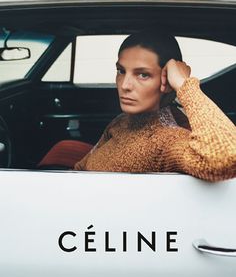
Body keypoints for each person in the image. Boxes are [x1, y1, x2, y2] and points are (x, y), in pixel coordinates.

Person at [39, 32, 236, 181]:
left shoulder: (165, 141)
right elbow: (85, 164)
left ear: (166, 80)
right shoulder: (124, 120)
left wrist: (185, 85)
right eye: (121, 71)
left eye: (143, 74)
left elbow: (227, 156)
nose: (125, 85)